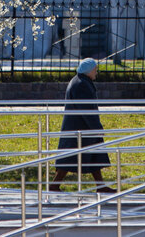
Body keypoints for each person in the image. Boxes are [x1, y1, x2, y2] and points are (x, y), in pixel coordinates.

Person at [49, 58, 116, 193]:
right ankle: (54, 185)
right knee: (71, 157)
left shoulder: (79, 81)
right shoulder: (81, 84)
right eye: (95, 69)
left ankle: (100, 185)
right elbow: (86, 109)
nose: (96, 72)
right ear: (89, 70)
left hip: (81, 126)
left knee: (92, 155)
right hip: (80, 127)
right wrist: (96, 127)